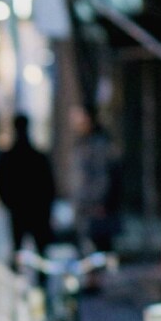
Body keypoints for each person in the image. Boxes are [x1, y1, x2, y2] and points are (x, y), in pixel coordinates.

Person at [0, 113, 55, 259]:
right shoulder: (37, 156)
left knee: (19, 250)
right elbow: (49, 186)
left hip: (20, 209)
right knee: (38, 251)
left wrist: (8, 203)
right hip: (35, 209)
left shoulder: (9, 157)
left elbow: (0, 183)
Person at [70, 106, 121, 252]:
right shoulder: (81, 144)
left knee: (100, 250)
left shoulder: (99, 145)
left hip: (96, 208)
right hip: (83, 206)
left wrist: (100, 202)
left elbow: (102, 176)